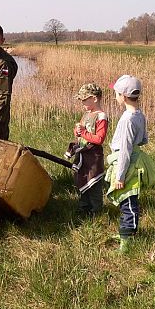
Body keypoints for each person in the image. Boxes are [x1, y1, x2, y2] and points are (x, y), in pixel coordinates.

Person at [105, 75, 155, 253]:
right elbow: (143, 139)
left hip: (126, 164)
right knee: (127, 199)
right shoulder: (139, 114)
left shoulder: (127, 119)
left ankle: (127, 241)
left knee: (128, 201)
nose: (115, 97)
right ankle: (125, 234)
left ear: (124, 96)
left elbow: (126, 150)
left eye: (116, 94)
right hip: (135, 160)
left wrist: (120, 176)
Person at [66, 83, 109, 216]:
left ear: (94, 99)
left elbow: (99, 139)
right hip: (82, 155)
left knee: (94, 182)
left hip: (93, 156)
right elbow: (80, 132)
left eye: (84, 100)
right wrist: (77, 131)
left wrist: (83, 132)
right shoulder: (86, 114)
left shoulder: (101, 116)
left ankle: (95, 210)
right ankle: (83, 206)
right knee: (82, 178)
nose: (82, 103)